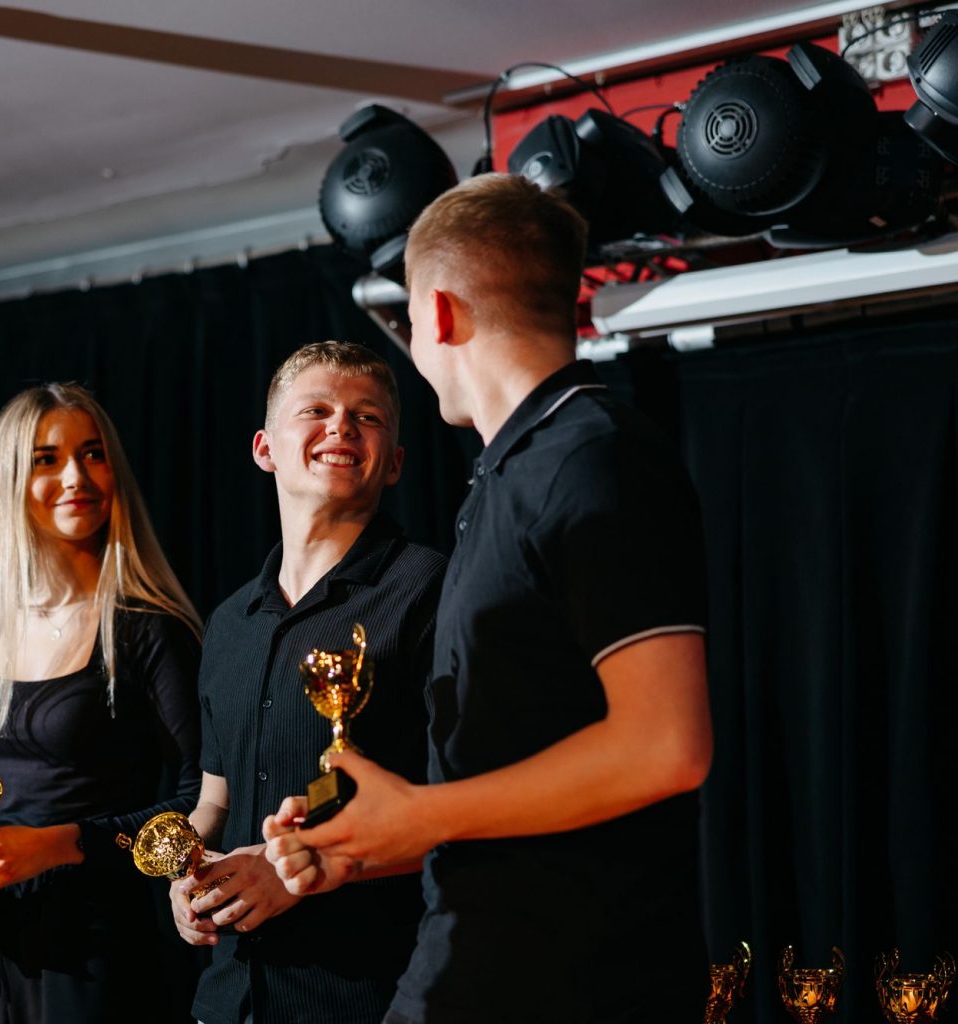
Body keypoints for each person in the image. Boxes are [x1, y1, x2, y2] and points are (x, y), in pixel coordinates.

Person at [265, 174, 714, 1023]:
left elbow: (667, 746)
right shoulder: (517, 470)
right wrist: (367, 840)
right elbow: (519, 755)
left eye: (406, 321)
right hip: (483, 957)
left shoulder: (593, 458)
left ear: (437, 314)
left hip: (573, 978)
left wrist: (420, 814)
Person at [174, 341, 447, 1024]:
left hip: (372, 997)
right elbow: (214, 801)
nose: (342, 426)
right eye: (316, 410)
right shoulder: (230, 621)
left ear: (395, 463)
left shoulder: (433, 592)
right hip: (230, 998)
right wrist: (188, 871)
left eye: (367, 417)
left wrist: (297, 866)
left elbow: (466, 810)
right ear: (265, 449)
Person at [0, 383, 204, 1023]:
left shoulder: (149, 627)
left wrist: (60, 845)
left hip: (97, 948)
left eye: (93, 454)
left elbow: (202, 801)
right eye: (46, 459)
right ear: (9, 481)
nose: (76, 476)